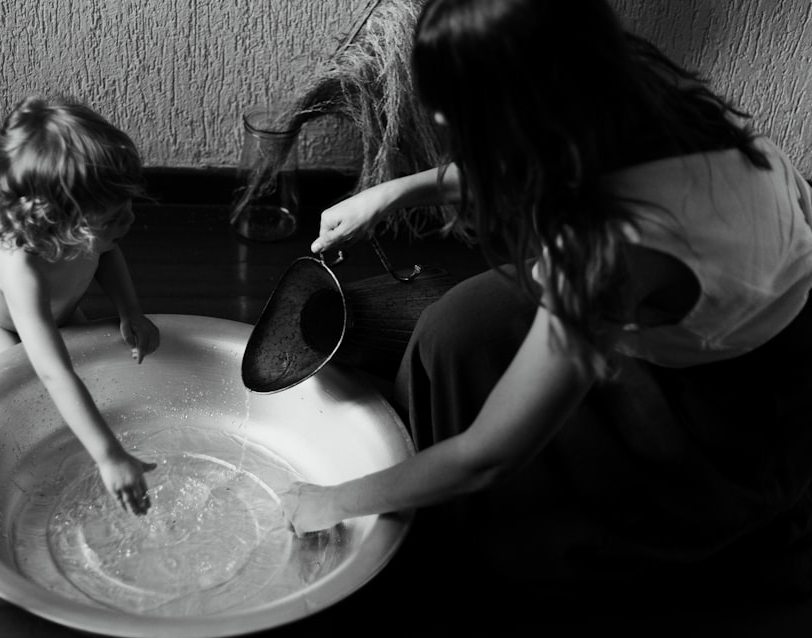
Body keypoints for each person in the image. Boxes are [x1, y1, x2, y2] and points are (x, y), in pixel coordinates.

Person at [283, 0, 812, 593]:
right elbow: (540, 156)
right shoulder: (625, 88)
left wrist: (328, 501)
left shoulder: (606, 251)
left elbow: (488, 456)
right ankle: (423, 489)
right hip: (715, 292)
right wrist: (394, 194)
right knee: (453, 330)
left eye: (453, 116)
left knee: (526, 537)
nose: (436, 120)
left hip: (733, 398)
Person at [0, 97, 160, 516]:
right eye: (112, 218)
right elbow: (53, 373)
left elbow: (108, 256)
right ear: (55, 224)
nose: (128, 220)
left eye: (127, 205)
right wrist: (109, 456)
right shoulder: (23, 271)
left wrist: (131, 311)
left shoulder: (90, 234)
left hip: (53, 310)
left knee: (92, 376)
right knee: (16, 397)